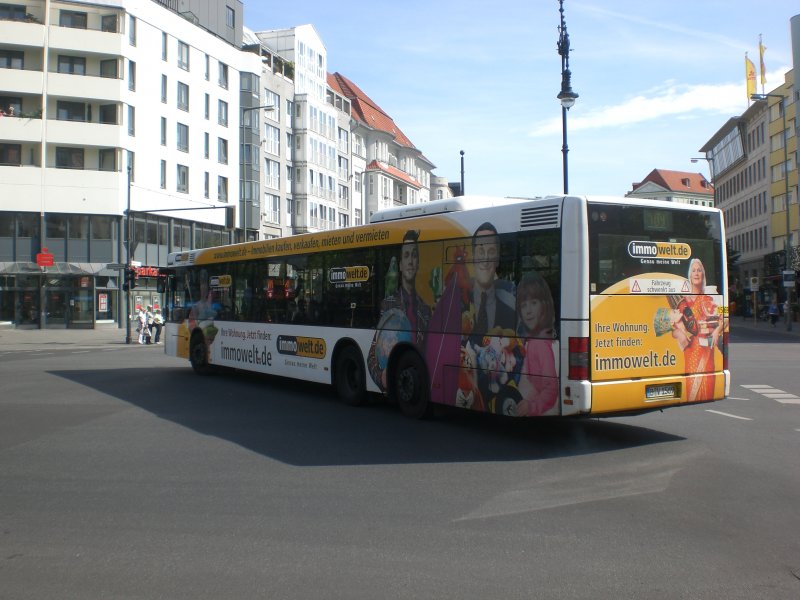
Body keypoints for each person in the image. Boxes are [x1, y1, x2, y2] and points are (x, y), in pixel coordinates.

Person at [425, 221, 516, 409]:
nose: (485, 259)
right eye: (481, 252)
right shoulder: (453, 302)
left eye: (491, 252)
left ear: (498, 259)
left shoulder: (511, 308)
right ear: (473, 257)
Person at [367, 229, 432, 391]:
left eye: (414, 255)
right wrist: (382, 377)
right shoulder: (388, 304)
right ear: (401, 265)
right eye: (406, 255)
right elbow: (372, 355)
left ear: (418, 263)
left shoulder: (425, 309)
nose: (410, 261)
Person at [670, 258, 723, 401]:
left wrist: (718, 330)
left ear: (703, 274)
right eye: (694, 270)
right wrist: (680, 334)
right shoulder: (683, 301)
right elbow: (674, 329)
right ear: (689, 275)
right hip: (691, 353)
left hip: (707, 353)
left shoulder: (711, 297)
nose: (696, 273)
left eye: (699, 270)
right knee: (691, 390)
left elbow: (724, 316)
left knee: (708, 389)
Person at [514, 271, 558, 416]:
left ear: (544, 305)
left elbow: (550, 388)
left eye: (533, 303)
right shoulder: (532, 340)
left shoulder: (540, 344)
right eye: (524, 305)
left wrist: (532, 407)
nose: (528, 311)